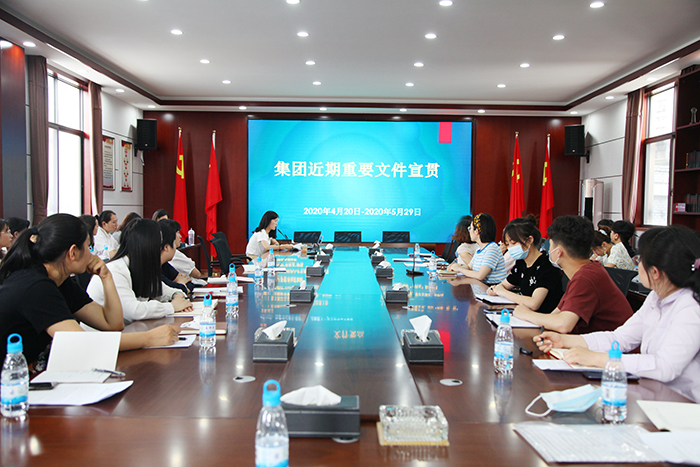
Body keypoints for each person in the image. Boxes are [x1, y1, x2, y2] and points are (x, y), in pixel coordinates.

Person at [535, 226, 700, 402]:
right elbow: (619, 338)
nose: (638, 264)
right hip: (653, 393)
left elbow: (665, 367)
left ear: (655, 272)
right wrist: (564, 341)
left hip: (683, 404)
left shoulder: (691, 307)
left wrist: (597, 358)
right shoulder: (657, 297)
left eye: (641, 260)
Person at [0, 214, 180, 367]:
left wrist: (106, 277)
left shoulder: (60, 281)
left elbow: (113, 324)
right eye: (88, 246)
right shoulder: (36, 285)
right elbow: (81, 343)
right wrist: (148, 338)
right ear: (73, 252)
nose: (91, 253)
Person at [513, 215, 633, 334]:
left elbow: (563, 325)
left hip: (612, 345)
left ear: (558, 252)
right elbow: (555, 315)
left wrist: (527, 314)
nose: (548, 250)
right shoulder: (584, 272)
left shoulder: (586, 277)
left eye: (551, 245)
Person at [87, 218, 192, 322]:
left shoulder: (140, 267)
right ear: (147, 246)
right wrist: (171, 306)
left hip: (128, 329)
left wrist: (177, 295)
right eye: (158, 245)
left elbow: (162, 290)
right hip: (104, 332)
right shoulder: (115, 270)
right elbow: (133, 311)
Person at [487, 215, 563, 314]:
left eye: (513, 243)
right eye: (508, 244)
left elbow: (534, 303)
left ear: (529, 240)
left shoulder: (546, 266)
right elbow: (503, 285)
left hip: (542, 318)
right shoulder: (521, 263)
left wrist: (503, 292)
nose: (510, 248)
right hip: (524, 315)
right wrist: (493, 289)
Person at [447, 213, 507, 285]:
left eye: (470, 228)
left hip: (491, 288)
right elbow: (469, 267)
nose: (469, 231)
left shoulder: (492, 249)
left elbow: (480, 276)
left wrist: (460, 270)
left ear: (477, 231)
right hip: (480, 286)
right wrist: (456, 266)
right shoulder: (480, 249)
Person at [158, 220, 196, 293]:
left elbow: (189, 283)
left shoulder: (164, 265)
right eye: (174, 244)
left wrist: (181, 285)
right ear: (166, 247)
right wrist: (181, 284)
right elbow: (174, 289)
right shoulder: (154, 268)